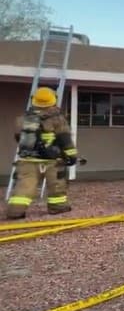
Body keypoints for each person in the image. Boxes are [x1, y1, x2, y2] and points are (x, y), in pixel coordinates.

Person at [6, 87, 79, 219]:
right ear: (53, 101)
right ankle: (58, 207)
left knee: (24, 186)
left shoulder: (23, 119)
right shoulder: (57, 119)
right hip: (52, 161)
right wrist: (72, 155)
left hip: (27, 160)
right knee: (57, 185)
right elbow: (65, 139)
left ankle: (15, 212)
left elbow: (19, 139)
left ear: (34, 101)